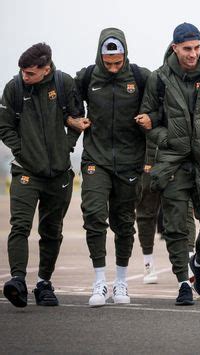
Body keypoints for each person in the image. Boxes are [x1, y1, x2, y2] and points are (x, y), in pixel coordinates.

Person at [136, 22, 200, 305]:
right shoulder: (159, 79)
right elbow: (146, 119)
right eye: (187, 48)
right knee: (176, 228)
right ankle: (182, 283)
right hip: (174, 162)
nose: (193, 53)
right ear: (175, 48)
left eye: (196, 47)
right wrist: (167, 137)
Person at [67, 27, 150, 306]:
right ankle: (99, 281)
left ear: (125, 55)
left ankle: (122, 282)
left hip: (130, 161)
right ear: (100, 55)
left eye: (118, 62)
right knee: (93, 213)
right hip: (96, 158)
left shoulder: (140, 77)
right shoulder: (87, 77)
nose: (113, 68)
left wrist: (149, 119)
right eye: (109, 63)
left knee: (124, 223)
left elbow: (160, 107)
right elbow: (67, 103)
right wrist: (73, 121)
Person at [0, 43, 82, 307]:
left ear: (46, 69)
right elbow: (4, 125)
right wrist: (21, 150)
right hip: (25, 171)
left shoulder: (64, 83)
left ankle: (44, 283)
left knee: (51, 231)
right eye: (22, 72)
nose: (25, 77)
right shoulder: (14, 88)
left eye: (31, 73)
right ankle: (18, 280)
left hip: (59, 174)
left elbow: (78, 118)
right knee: (20, 226)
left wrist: (66, 146)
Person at [136, 128, 196, 284]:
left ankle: (190, 260)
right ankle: (148, 263)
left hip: (177, 159)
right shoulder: (147, 104)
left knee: (185, 208)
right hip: (147, 161)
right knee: (146, 213)